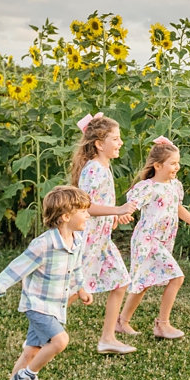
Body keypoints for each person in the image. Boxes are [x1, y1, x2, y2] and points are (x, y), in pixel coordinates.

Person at [0, 184, 95, 380]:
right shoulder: (44, 245)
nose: (87, 215)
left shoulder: (76, 240)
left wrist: (81, 288)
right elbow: (15, 269)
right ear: (66, 216)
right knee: (60, 341)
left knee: (32, 351)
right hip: (37, 305)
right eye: (82, 211)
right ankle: (27, 376)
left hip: (55, 306)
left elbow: (75, 269)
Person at [116, 137, 190, 340]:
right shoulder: (148, 187)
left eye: (178, 163)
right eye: (173, 163)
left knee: (144, 282)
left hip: (161, 241)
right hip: (147, 240)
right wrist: (123, 214)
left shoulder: (174, 186)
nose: (177, 167)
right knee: (176, 277)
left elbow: (178, 208)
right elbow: (132, 205)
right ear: (158, 165)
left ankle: (121, 322)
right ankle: (162, 325)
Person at [69, 113, 139, 354]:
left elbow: (99, 205)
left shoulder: (103, 167)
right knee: (75, 290)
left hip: (101, 240)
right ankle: (42, 326)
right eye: (115, 139)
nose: (120, 143)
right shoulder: (94, 170)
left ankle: (108, 338)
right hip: (88, 240)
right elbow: (84, 205)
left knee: (120, 282)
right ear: (99, 144)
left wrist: (114, 215)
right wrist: (117, 209)